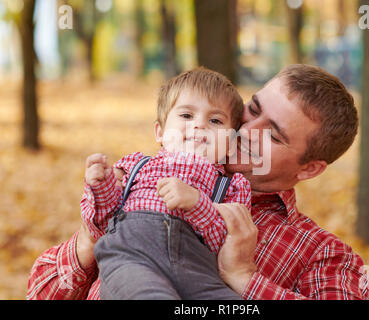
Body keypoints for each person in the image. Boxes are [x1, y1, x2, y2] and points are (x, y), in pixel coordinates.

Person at [27, 64, 369, 300]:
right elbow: (39, 290)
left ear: (310, 169)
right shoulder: (148, 177)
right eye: (253, 109)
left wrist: (245, 278)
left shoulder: (326, 256)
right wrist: (93, 236)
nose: (245, 131)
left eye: (273, 135)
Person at [81, 67, 250, 299]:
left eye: (215, 120)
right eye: (186, 116)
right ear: (160, 132)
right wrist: (100, 187)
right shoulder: (136, 164)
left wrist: (198, 203)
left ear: (230, 143)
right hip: (133, 258)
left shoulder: (233, 186)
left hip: (198, 272)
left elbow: (227, 244)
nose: (199, 125)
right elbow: (105, 220)